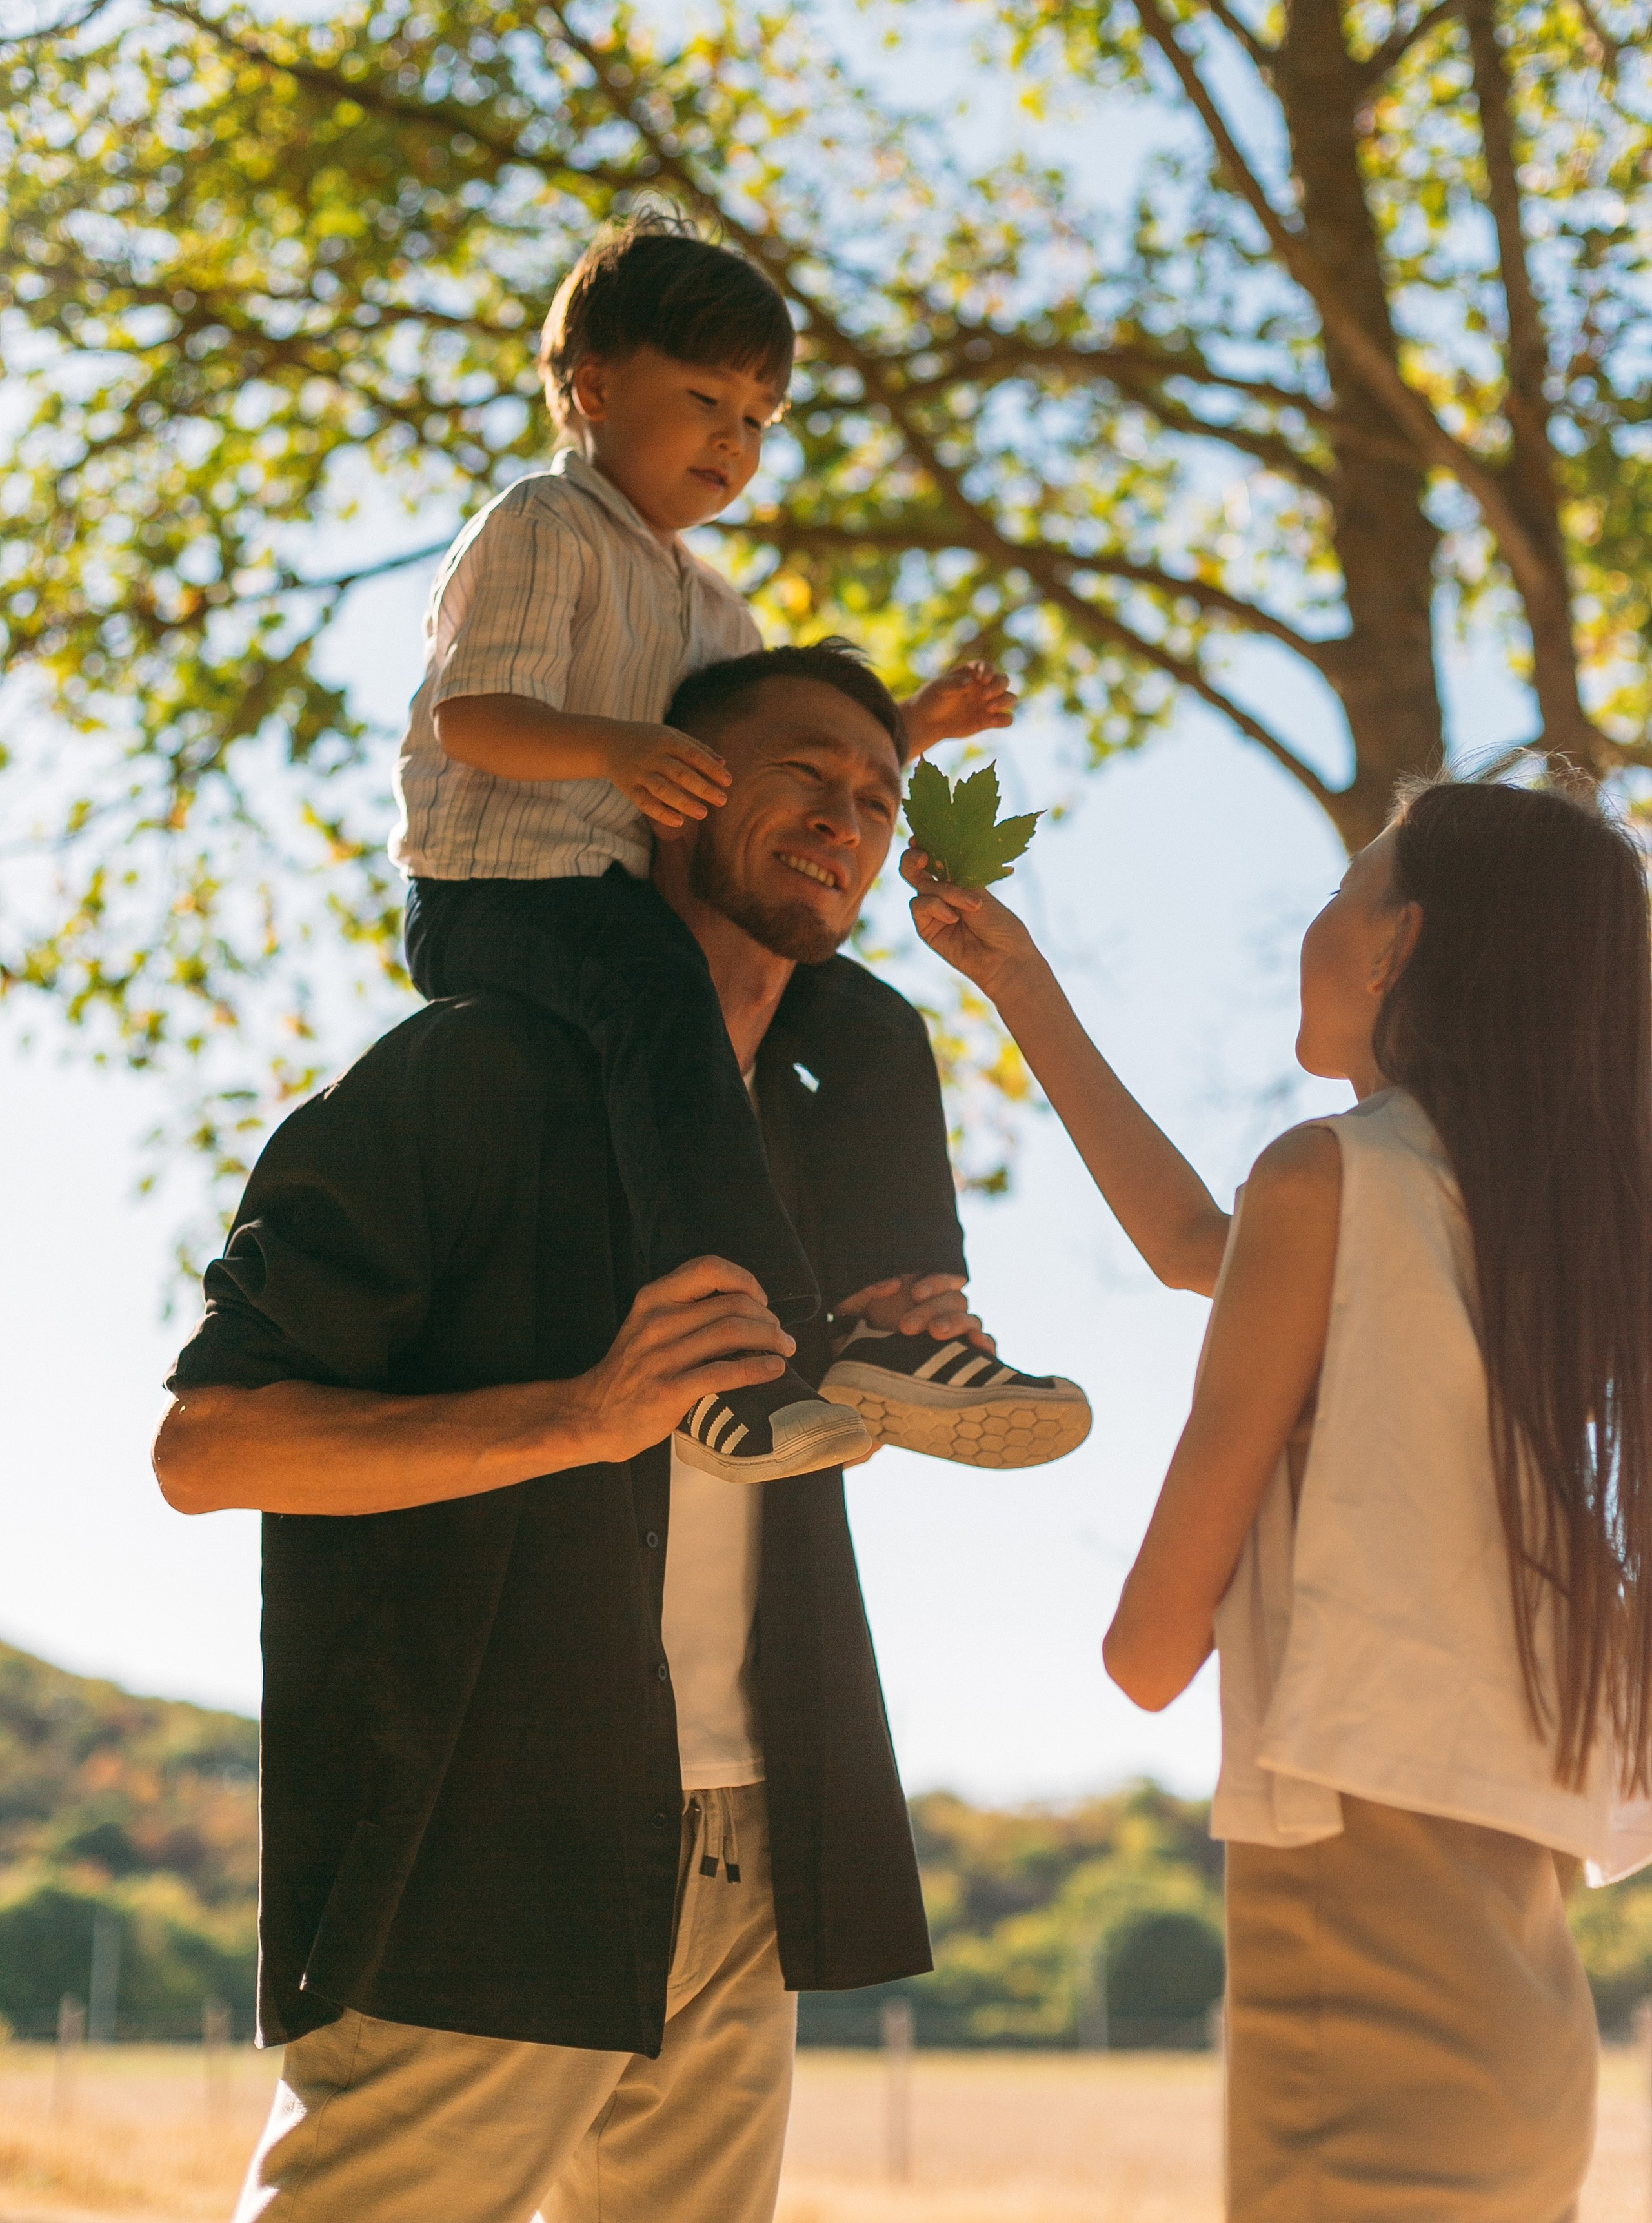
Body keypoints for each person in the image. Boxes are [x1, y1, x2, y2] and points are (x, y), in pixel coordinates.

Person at [157, 644, 1085, 2223]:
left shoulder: (829, 1116)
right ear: (672, 793)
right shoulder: (468, 1068)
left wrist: (885, 1347)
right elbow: (211, 1450)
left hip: (750, 1840)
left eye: (878, 796)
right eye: (802, 772)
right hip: (481, 1839)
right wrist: (586, 1417)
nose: (847, 818)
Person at [904, 766, 1652, 2220]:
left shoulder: (1328, 1181)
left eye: (1339, 891)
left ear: (1394, 947)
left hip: (1364, 2001)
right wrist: (1022, 990)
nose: (1318, 923)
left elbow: (1146, 1652)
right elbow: (1202, 1243)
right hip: (1524, 2026)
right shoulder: (1546, 1229)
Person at [391, 208, 1035, 1482]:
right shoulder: (544, 525)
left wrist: (908, 730)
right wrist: (611, 749)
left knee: (870, 1023)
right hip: (497, 891)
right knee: (663, 994)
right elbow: (473, 717)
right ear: (594, 389)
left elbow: (772, 755)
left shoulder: (717, 608)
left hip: (625, 909)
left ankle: (895, 1314)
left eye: (757, 418)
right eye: (704, 401)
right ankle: (728, 1344)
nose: (732, 441)